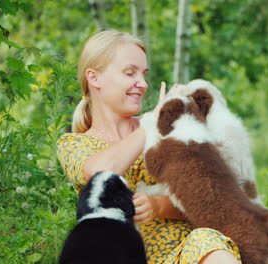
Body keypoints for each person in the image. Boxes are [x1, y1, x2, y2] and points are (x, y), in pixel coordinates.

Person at [56, 29, 241, 264]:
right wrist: (152, 122)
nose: (142, 84)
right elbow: (99, 171)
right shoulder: (73, 144)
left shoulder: (167, 132)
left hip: (184, 255)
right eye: (130, 73)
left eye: (144, 74)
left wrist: (159, 205)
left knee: (207, 240)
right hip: (120, 257)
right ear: (94, 78)